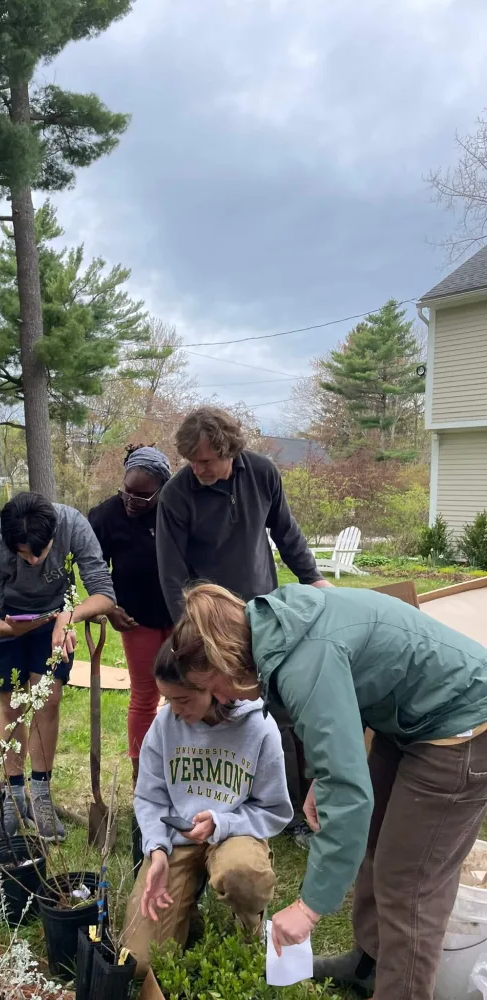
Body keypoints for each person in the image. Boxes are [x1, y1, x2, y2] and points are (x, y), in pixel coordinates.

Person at [168, 581, 487, 1000]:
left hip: (460, 723)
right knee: (374, 842)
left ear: (225, 665)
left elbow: (349, 794)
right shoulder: (275, 625)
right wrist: (324, 770)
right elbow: (342, 696)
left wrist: (308, 908)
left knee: (408, 883)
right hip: (406, 717)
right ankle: (368, 961)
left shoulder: (303, 662)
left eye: (212, 688)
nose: (220, 700)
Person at [156, 405, 331, 847]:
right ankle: (220, 803)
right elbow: (172, 573)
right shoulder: (178, 495)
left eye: (206, 461)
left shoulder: (262, 475)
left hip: (263, 615)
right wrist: (190, 634)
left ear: (230, 449)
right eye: (191, 462)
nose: (198, 470)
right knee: (222, 709)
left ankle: (289, 813)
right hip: (211, 627)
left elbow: (286, 533)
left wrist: (314, 579)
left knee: (283, 713)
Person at [121, 640, 292, 977]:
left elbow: (274, 810)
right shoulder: (165, 723)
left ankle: (249, 924)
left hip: (234, 835)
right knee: (138, 963)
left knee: (242, 872)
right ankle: (187, 908)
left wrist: (220, 823)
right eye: (167, 699)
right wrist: (156, 850)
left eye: (182, 699)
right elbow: (150, 797)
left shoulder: (259, 728)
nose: (174, 709)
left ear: (213, 688)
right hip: (176, 840)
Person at [0, 492, 116, 843]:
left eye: (41, 550)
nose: (34, 560)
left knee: (48, 699)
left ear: (54, 533)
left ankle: (40, 794)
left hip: (56, 617)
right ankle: (13, 793)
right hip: (10, 620)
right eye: (24, 554)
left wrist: (70, 615)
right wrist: (11, 629)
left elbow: (104, 595)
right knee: (12, 704)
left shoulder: (73, 525)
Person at [88, 445, 174, 782]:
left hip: (182, 617)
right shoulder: (105, 516)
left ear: (161, 490)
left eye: (141, 495)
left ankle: (181, 769)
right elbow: (94, 569)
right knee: (144, 695)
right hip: (136, 618)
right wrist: (110, 607)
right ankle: (143, 776)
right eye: (126, 490)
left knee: (189, 690)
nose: (130, 499)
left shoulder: (175, 510)